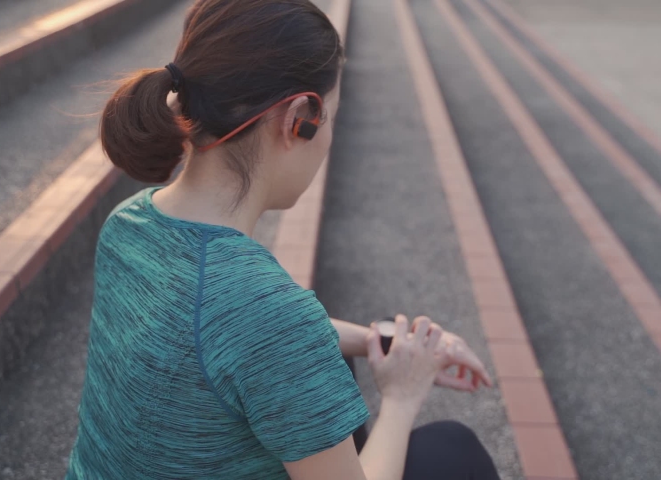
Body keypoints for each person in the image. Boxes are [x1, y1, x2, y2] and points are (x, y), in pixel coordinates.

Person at [66, 1, 501, 479]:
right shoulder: (264, 310)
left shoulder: (129, 223)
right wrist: (402, 395)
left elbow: (238, 339)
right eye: (330, 116)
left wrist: (380, 340)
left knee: (332, 374)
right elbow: (264, 332)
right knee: (454, 453)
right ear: (300, 118)